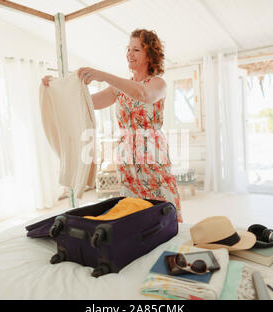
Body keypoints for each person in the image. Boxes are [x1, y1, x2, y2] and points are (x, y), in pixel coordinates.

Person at [42, 29, 183, 223]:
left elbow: (143, 94)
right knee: (134, 209)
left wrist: (104, 76)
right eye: (128, 49)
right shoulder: (119, 87)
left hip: (152, 155)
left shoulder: (158, 83)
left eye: (136, 50)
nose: (129, 54)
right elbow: (85, 103)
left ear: (150, 55)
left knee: (162, 206)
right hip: (126, 156)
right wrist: (56, 88)